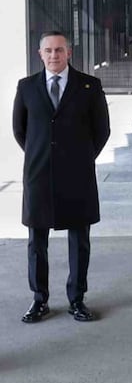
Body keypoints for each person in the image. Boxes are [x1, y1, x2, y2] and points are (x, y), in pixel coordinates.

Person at [13, 31, 110, 323]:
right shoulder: (27, 87)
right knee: (36, 242)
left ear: (69, 53)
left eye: (59, 50)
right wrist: (42, 156)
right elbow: (21, 131)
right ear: (39, 54)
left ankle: (77, 299)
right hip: (39, 175)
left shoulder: (89, 86)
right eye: (48, 51)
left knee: (79, 241)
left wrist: (80, 159)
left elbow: (101, 130)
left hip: (77, 176)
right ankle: (39, 300)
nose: (54, 55)